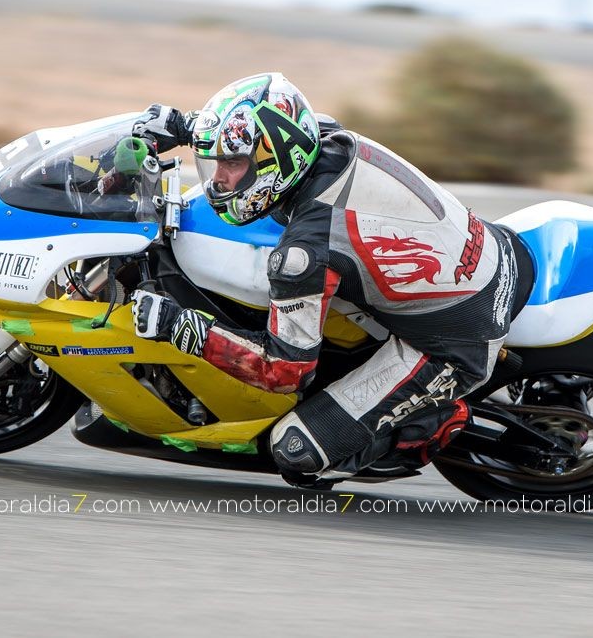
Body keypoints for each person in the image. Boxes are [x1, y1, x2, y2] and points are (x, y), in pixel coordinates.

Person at [128, 72, 518, 488]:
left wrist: (182, 327)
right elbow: (269, 124)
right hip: (488, 250)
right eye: (218, 163)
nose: (218, 178)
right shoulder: (324, 137)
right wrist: (184, 126)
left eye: (233, 164)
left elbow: (285, 371)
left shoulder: (304, 252)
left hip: (455, 342)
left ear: (275, 162)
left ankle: (430, 422)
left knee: (295, 451)